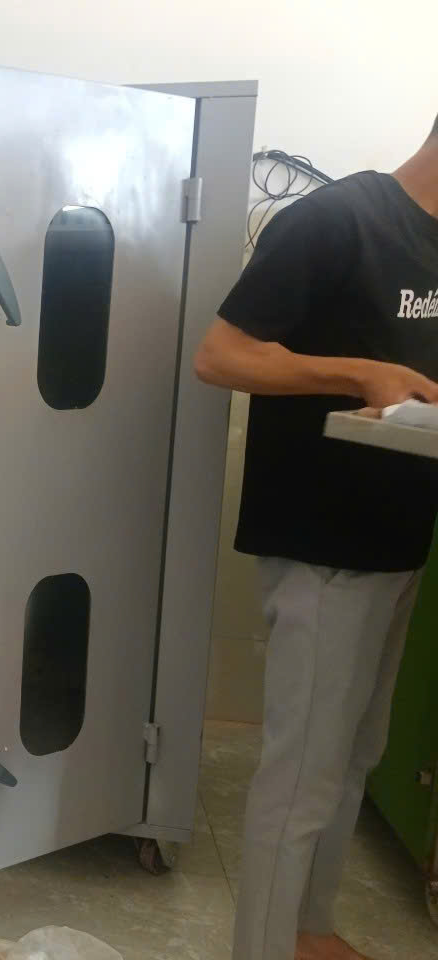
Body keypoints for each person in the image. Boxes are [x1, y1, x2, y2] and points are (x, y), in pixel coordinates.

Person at [194, 113, 438, 960]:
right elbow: (221, 356)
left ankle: (309, 932)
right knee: (302, 777)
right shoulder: (338, 220)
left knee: (356, 756)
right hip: (325, 544)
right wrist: (356, 373)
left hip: (399, 541)